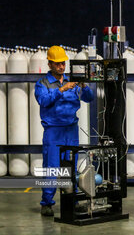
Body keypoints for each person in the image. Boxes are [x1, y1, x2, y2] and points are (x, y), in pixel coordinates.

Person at [35, 45, 94, 216]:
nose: (62, 67)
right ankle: (47, 203)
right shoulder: (43, 83)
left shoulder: (72, 80)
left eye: (63, 63)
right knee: (52, 168)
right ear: (50, 64)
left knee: (71, 167)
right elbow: (44, 101)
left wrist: (83, 86)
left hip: (71, 130)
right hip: (53, 131)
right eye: (58, 64)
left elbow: (89, 99)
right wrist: (62, 89)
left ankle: (72, 201)